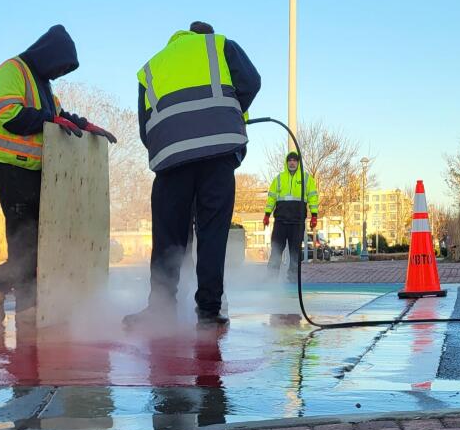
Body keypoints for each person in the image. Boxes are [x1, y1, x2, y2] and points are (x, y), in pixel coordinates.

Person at [0, 25, 116, 325]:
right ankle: (6, 293)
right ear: (49, 54)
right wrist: (51, 119)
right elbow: (10, 116)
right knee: (27, 245)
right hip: (10, 166)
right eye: (60, 66)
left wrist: (86, 126)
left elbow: (59, 117)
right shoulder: (12, 70)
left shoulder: (45, 87)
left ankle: (14, 300)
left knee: (41, 245)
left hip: (34, 171)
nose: (60, 73)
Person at [124, 21, 261, 330]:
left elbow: (145, 126)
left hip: (171, 158)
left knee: (168, 235)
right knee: (212, 232)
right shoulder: (220, 45)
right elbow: (251, 83)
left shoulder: (151, 66)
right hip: (218, 153)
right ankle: (209, 312)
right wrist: (227, 115)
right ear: (206, 35)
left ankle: (160, 308)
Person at [264, 152, 319, 283]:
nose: (292, 162)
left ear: (298, 162)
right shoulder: (279, 179)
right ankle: (271, 280)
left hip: (297, 222)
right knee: (276, 250)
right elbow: (271, 197)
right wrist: (267, 214)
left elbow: (313, 197)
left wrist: (314, 215)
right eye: (290, 160)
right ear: (286, 162)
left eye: (295, 160)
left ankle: (293, 280)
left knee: (295, 253)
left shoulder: (306, 178)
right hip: (280, 222)